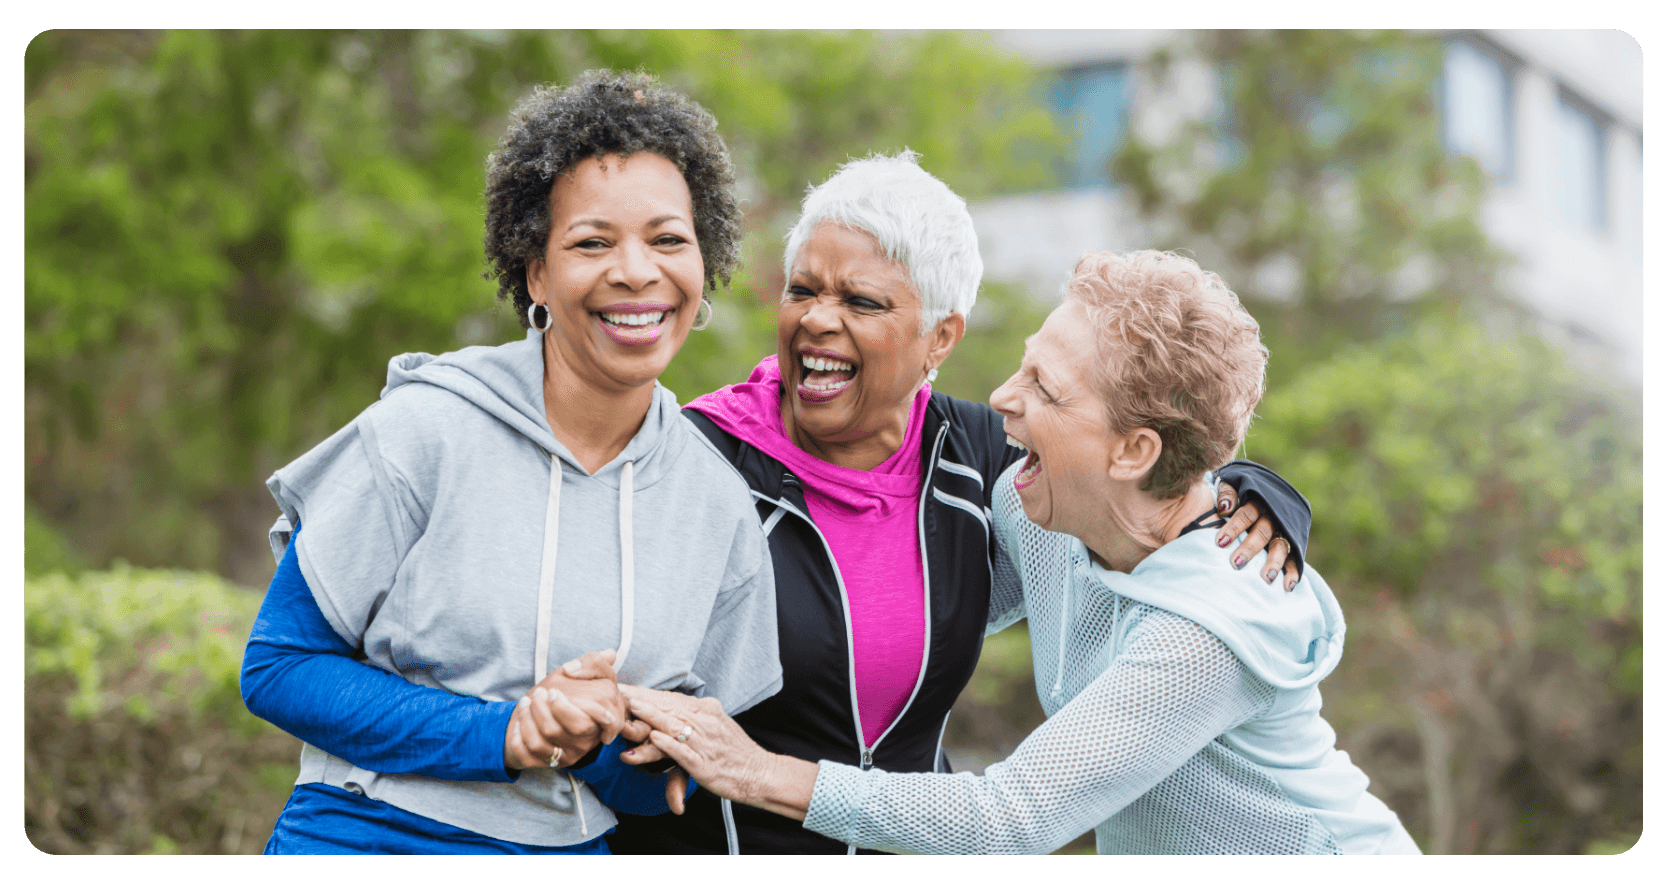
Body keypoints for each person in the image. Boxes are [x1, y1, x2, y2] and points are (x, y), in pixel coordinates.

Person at [607, 156, 1310, 855]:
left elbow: (1134, 492)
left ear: (940, 337)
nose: (817, 319)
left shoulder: (986, 462)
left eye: (860, 301)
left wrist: (1245, 487)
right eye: (802, 290)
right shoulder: (691, 459)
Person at [239, 70, 783, 854]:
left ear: (704, 268)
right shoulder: (422, 431)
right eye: (592, 242)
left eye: (668, 238)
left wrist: (595, 737)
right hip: (365, 835)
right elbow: (280, 666)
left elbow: (662, 781)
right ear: (536, 273)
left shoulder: (717, 505)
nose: (636, 271)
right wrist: (507, 731)